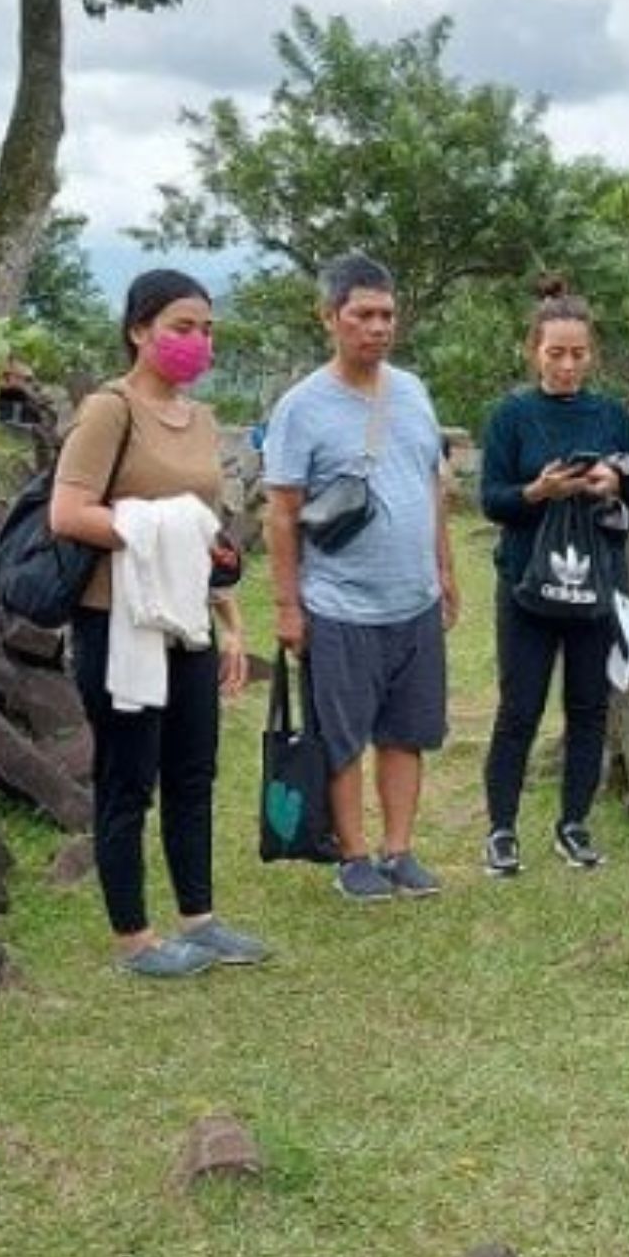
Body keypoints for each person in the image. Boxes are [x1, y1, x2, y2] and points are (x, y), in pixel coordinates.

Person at [48, 268, 261, 978]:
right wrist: (157, 526)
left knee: (193, 773)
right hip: (120, 623)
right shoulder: (110, 410)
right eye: (181, 326)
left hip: (189, 618)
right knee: (128, 777)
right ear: (139, 330)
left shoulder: (200, 419)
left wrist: (230, 620)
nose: (196, 341)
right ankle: (133, 939)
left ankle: (199, 919)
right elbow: (68, 513)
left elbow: (205, 533)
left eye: (205, 329)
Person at [263, 253, 460, 901]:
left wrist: (445, 568)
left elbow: (431, 484)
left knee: (407, 732)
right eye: (362, 315)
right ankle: (353, 856)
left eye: (387, 315)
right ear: (330, 318)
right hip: (340, 603)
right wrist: (288, 607)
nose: (378, 327)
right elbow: (283, 514)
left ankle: (398, 850)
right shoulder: (302, 407)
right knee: (342, 736)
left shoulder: (414, 390)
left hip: (414, 598)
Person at [476, 279, 629, 876]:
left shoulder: (611, 417)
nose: (568, 365)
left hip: (596, 584)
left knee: (588, 709)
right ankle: (501, 829)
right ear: (534, 351)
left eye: (578, 353)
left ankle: (573, 823)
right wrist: (539, 490)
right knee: (518, 709)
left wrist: (616, 481)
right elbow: (492, 500)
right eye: (556, 353)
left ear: (592, 353)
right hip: (527, 583)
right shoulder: (511, 416)